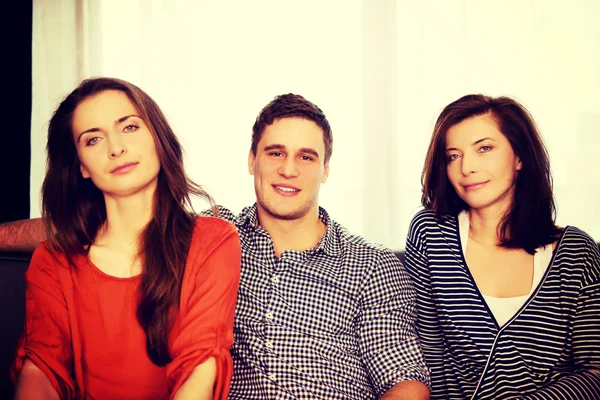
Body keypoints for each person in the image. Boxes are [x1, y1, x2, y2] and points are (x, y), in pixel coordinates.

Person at [1, 93, 431, 399]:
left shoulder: (371, 265)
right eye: (274, 152)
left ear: (326, 169)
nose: (288, 169)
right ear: (251, 160)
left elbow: (404, 381)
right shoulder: (211, 234)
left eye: (306, 157)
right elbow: (111, 223)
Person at [10, 77, 241, 399]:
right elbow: (42, 368)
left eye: (129, 127)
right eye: (93, 140)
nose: (116, 148)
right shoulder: (53, 261)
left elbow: (201, 365)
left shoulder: (212, 242)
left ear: (157, 138)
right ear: (82, 167)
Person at [404, 94, 600, 399]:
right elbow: (427, 354)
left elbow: (594, 372)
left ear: (519, 157)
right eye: (453, 155)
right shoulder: (430, 233)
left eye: (484, 149)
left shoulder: (576, 251)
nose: (467, 167)